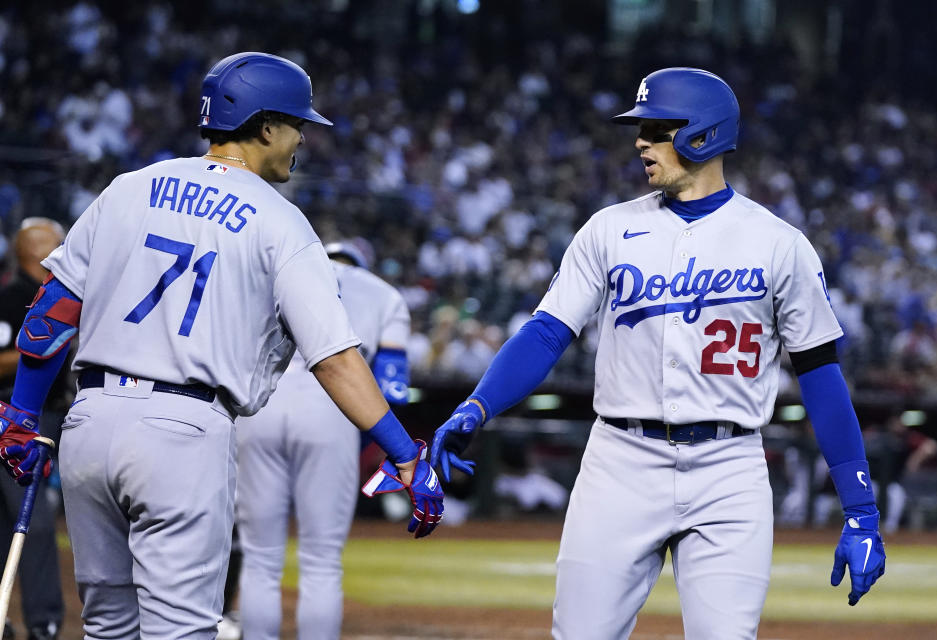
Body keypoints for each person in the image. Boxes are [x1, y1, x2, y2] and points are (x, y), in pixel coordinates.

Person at [430, 67, 885, 639]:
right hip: (620, 460)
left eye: (656, 128)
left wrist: (860, 506)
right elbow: (546, 333)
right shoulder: (609, 229)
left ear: (704, 133)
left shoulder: (779, 244)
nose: (640, 141)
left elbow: (820, 375)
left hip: (730, 467)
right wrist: (478, 405)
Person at [0, 52, 442, 639]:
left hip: (91, 422)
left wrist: (22, 415)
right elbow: (334, 359)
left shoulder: (129, 189)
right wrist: (404, 453)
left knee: (107, 626)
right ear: (265, 127)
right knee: (180, 629)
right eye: (297, 125)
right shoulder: (280, 221)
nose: (301, 139)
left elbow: (50, 314)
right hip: (182, 430)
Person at [234, 240, 412, 640]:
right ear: (360, 262)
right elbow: (393, 388)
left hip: (259, 405)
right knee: (322, 561)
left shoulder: (273, 275)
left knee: (260, 558)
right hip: (333, 410)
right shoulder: (384, 293)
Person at [0, 219, 67, 640]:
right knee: (34, 521)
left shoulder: (52, 294)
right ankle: (44, 622)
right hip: (16, 416)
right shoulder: (11, 299)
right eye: (59, 244)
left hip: (51, 413)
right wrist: (42, 344)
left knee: (11, 517)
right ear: (38, 253)